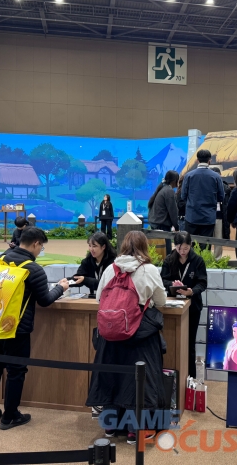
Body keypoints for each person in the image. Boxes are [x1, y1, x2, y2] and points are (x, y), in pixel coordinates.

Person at [0, 227, 69, 430]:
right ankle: (10, 416)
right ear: (36, 243)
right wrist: (61, 288)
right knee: (16, 371)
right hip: (17, 328)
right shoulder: (33, 269)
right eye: (41, 246)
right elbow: (45, 300)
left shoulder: (1, 259)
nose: (40, 250)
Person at [86, 231, 166, 445]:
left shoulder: (111, 268)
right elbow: (161, 300)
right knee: (139, 381)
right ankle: (135, 431)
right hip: (139, 334)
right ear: (144, 246)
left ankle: (110, 426)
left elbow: (99, 298)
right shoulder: (148, 269)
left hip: (109, 334)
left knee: (111, 376)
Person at [160, 231, 207, 378]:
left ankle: (191, 377)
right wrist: (172, 284)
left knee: (190, 343)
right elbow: (162, 280)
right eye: (179, 248)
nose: (182, 251)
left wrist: (191, 291)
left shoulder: (198, 261)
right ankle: (173, 375)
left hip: (192, 307)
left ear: (190, 245)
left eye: (185, 248)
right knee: (173, 341)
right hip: (173, 305)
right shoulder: (169, 260)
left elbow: (202, 283)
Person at [181, 149, 224, 244]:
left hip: (192, 216)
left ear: (197, 160)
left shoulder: (188, 175)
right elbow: (221, 197)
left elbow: (183, 196)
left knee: (190, 245)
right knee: (205, 246)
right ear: (210, 161)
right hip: (208, 217)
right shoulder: (216, 177)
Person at [73, 232, 117, 297]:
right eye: (89, 245)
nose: (91, 249)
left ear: (103, 247)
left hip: (110, 298)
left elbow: (105, 284)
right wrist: (66, 282)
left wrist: (85, 280)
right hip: (93, 298)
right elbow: (79, 278)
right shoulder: (87, 261)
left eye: (94, 246)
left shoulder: (113, 263)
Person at [148, 170, 180, 253]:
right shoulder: (169, 191)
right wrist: (176, 227)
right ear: (174, 181)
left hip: (156, 223)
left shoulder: (163, 188)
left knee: (157, 251)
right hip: (162, 225)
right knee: (166, 251)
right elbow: (173, 211)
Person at [209, 167, 231, 260]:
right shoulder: (207, 186)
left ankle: (217, 259)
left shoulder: (225, 188)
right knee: (206, 239)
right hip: (208, 215)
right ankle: (206, 259)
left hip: (220, 216)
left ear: (220, 175)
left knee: (218, 239)